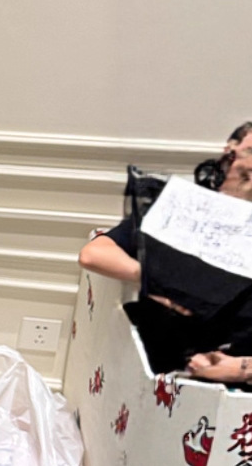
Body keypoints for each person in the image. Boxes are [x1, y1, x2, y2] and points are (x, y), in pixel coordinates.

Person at [79, 121, 252, 384]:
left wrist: (242, 369)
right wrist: (156, 281)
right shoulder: (180, 209)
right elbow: (94, 254)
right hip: (170, 370)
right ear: (229, 153)